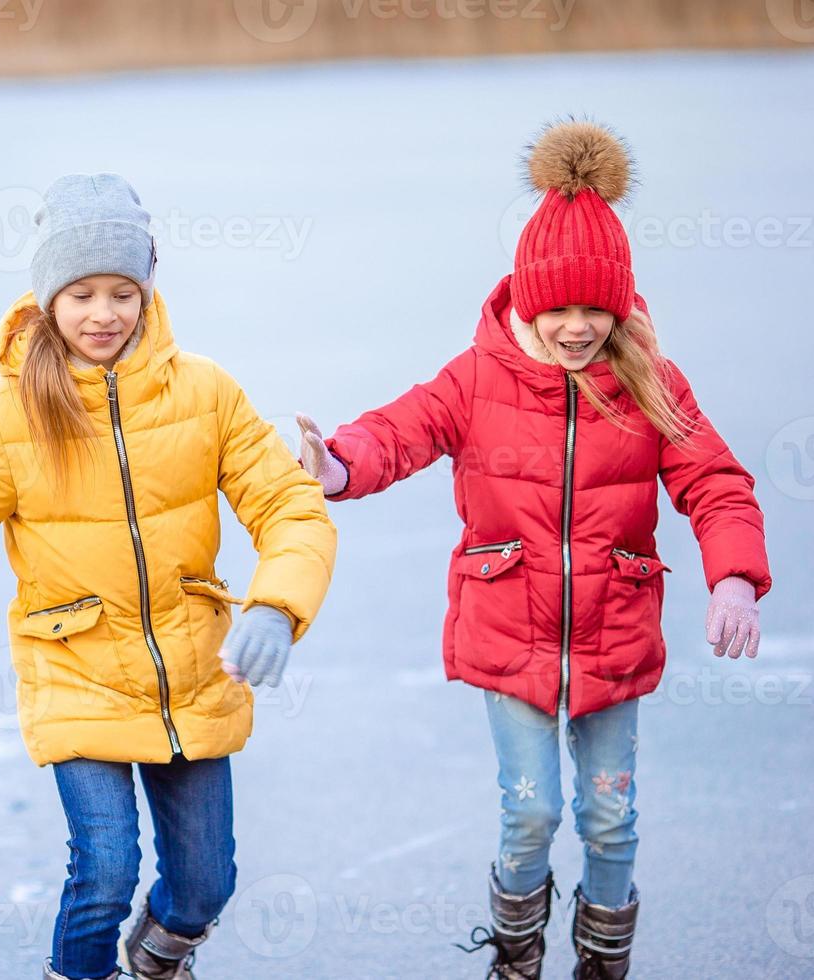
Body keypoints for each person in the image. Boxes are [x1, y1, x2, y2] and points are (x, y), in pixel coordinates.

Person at [0, 173, 337, 979]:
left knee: (203, 886)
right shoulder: (7, 417)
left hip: (191, 673)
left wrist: (276, 606)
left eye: (122, 291)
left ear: (147, 291)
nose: (103, 314)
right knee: (105, 874)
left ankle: (160, 959)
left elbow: (291, 507)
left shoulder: (206, 393)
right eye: (82, 292)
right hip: (74, 671)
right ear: (48, 298)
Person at [298, 121, 771, 979]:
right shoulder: (477, 377)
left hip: (613, 631)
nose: (578, 326)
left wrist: (733, 576)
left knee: (610, 818)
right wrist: (337, 466)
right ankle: (516, 953)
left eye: (597, 308)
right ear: (526, 299)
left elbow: (717, 482)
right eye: (559, 307)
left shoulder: (651, 384)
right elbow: (398, 432)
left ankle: (602, 962)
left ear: (620, 305)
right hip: (508, 631)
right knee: (531, 814)